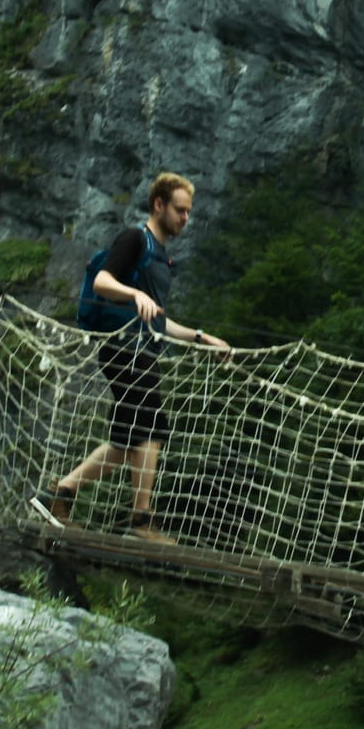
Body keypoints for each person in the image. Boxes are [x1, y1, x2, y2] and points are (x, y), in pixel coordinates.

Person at [40, 172, 228, 545]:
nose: (185, 219)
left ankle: (58, 494)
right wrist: (132, 294)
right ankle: (142, 522)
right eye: (179, 210)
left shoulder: (161, 258)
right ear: (158, 205)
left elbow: (157, 318)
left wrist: (199, 337)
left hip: (143, 348)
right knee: (154, 425)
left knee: (127, 441)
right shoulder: (134, 239)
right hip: (123, 347)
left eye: (189, 212)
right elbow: (102, 283)